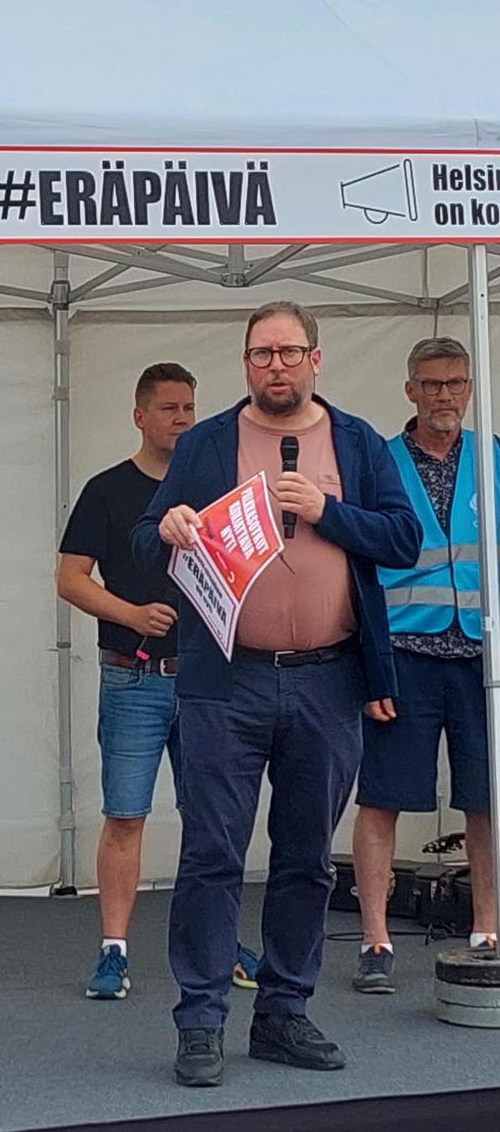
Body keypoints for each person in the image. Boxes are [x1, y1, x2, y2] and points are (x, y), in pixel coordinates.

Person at [133, 302, 420, 1089]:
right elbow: (143, 538)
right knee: (212, 853)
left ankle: (284, 1012)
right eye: (262, 354)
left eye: (290, 352)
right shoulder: (205, 443)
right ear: (246, 363)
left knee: (305, 859)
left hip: (327, 679)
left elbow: (403, 539)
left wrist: (328, 511)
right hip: (227, 681)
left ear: (316, 360)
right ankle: (200, 1020)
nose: (277, 367)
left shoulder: (357, 442)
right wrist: (168, 527)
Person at [58, 363, 258, 1001]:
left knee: (212, 817)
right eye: (170, 408)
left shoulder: (214, 490)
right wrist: (131, 615)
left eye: (190, 408)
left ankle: (219, 942)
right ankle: (113, 950)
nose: (182, 419)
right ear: (139, 416)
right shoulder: (107, 490)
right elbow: (70, 578)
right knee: (125, 815)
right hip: (134, 677)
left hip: (206, 678)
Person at [352, 337, 498, 994]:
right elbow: (356, 573)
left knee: (486, 800)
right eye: (433, 384)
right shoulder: (377, 464)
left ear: (469, 388)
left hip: (480, 659)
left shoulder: (493, 458)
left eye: (456, 383)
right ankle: (375, 939)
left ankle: (487, 929)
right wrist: (369, 667)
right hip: (404, 659)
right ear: (410, 390)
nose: (445, 395)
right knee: (382, 798)